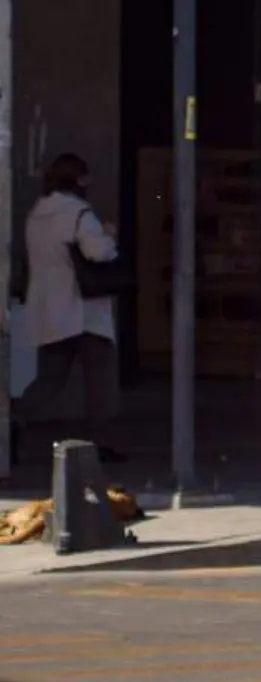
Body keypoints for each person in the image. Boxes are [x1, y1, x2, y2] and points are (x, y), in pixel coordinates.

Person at [13, 154, 124, 464]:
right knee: (100, 381)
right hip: (84, 310)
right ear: (80, 179)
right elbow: (98, 253)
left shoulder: (37, 214)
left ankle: (14, 419)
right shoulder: (80, 214)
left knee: (50, 379)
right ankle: (97, 443)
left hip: (51, 308)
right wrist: (110, 235)